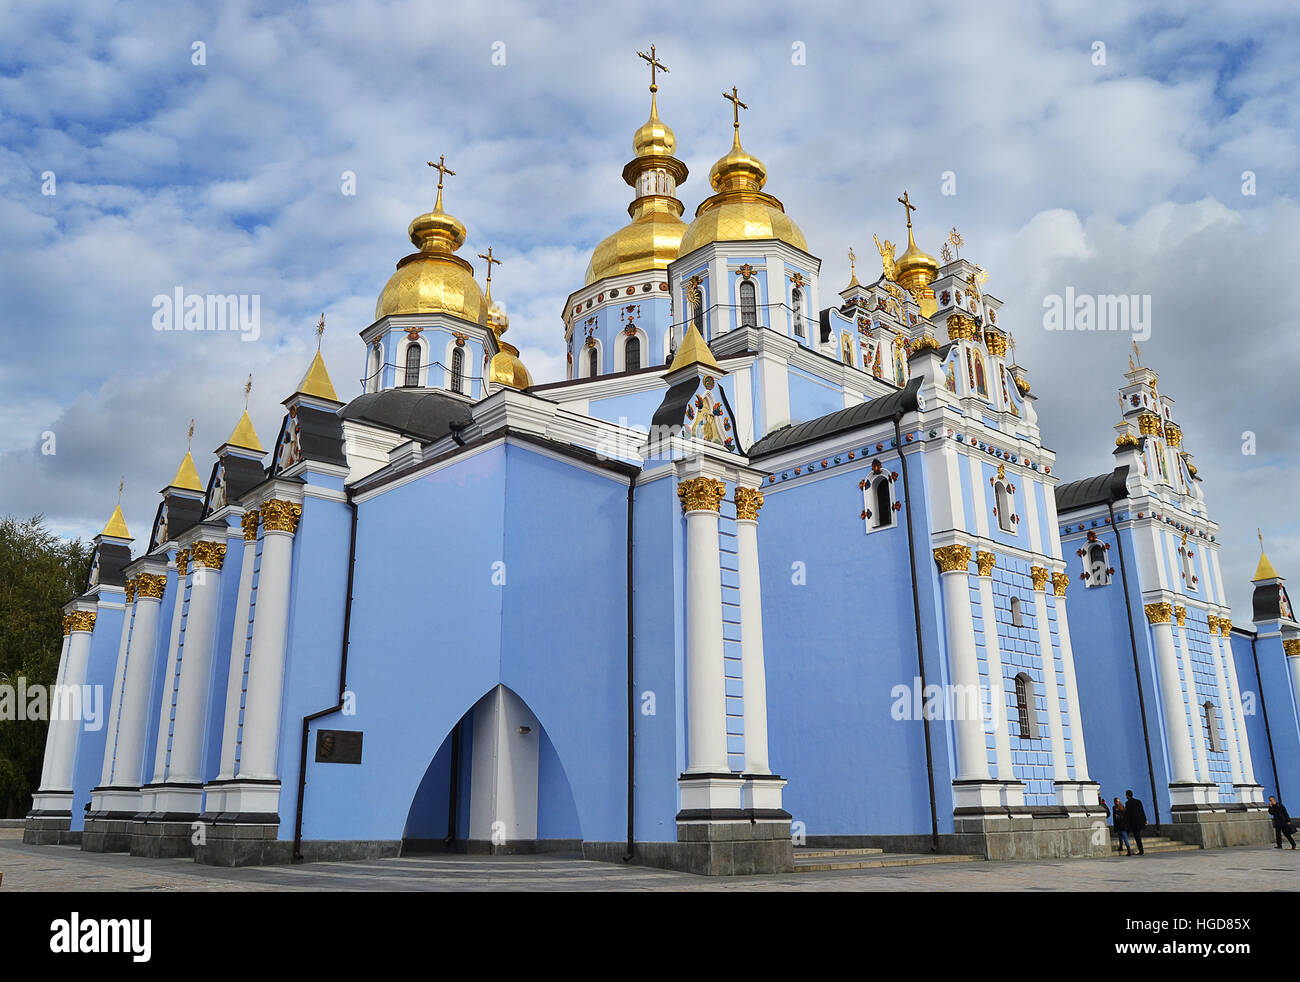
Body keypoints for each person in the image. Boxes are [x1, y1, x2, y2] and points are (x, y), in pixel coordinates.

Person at [1124, 789, 1147, 855]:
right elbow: (1142, 811)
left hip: (1133, 823)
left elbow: (1128, 814)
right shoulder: (1138, 801)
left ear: (1127, 795)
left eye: (1126, 795)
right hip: (1140, 821)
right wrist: (1145, 819)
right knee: (1138, 836)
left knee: (1137, 837)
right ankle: (1141, 849)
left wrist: (1127, 823)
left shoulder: (1128, 803)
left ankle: (1141, 850)